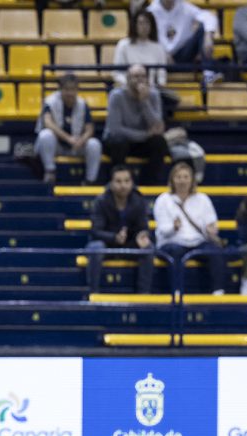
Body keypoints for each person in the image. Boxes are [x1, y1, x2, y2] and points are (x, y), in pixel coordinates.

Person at [154, 161, 226, 294]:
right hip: (172, 242)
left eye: (186, 177)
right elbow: (162, 231)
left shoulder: (203, 199)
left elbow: (211, 224)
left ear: (192, 179)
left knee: (215, 252)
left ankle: (218, 292)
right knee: (175, 251)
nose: (182, 181)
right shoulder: (163, 200)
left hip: (198, 241)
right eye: (178, 177)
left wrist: (211, 230)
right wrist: (173, 228)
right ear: (172, 180)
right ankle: (177, 292)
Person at [86, 164, 154, 293]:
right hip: (107, 243)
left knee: (148, 247)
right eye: (118, 181)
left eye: (127, 181)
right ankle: (92, 293)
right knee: (95, 247)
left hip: (129, 243)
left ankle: (144, 294)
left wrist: (142, 235)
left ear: (132, 183)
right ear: (111, 183)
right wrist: (114, 237)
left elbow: (143, 227)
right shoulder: (101, 201)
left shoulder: (139, 201)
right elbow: (95, 231)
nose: (123, 185)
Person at [103, 64, 169, 185]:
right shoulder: (116, 96)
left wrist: (144, 101)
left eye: (143, 76)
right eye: (136, 76)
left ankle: (149, 184)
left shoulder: (154, 95)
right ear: (128, 79)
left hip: (141, 143)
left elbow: (157, 126)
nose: (140, 80)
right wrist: (145, 134)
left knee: (159, 142)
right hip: (120, 142)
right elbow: (115, 130)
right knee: (118, 142)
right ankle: (118, 184)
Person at [34, 72, 102, 185]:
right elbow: (48, 123)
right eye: (66, 89)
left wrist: (81, 140)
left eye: (73, 89)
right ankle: (50, 172)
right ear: (60, 89)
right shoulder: (50, 101)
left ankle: (90, 180)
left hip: (76, 146)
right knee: (45, 135)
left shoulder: (82, 104)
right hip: (56, 146)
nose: (70, 93)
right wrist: (68, 138)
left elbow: (89, 129)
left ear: (77, 90)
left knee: (94, 144)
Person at [147, 0, 219, 84]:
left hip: (183, 55)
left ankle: (208, 73)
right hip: (160, 59)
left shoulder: (185, 7)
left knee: (203, 29)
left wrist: (208, 35)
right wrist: (161, 53)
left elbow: (209, 17)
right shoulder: (150, 11)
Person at [113, 10, 168, 89]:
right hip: (127, 89)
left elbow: (161, 75)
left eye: (147, 23)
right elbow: (117, 74)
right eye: (141, 23)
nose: (144, 26)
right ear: (135, 25)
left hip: (150, 89)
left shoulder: (158, 47)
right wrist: (131, 86)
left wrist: (157, 86)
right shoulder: (123, 45)